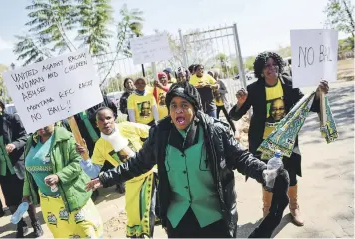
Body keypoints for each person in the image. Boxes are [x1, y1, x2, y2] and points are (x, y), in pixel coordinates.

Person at [85, 83, 289, 238]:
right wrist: (105, 178)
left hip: (214, 218)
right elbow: (138, 163)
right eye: (173, 105)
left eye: (184, 105)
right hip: (178, 220)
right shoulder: (160, 135)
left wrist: (264, 172)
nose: (178, 110)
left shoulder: (215, 132)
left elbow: (241, 158)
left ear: (195, 108)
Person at [229, 51, 329, 226]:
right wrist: (240, 102)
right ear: (261, 71)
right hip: (264, 143)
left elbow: (310, 106)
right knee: (268, 176)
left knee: (291, 173)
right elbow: (235, 116)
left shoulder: (289, 84)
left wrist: (320, 93)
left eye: (274, 64)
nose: (271, 68)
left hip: (287, 140)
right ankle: (267, 211)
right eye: (266, 65)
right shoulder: (254, 89)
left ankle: (294, 207)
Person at [77, 107, 157, 238]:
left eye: (108, 118)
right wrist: (84, 157)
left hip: (151, 174)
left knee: (148, 215)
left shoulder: (127, 127)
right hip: (131, 182)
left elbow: (154, 133)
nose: (105, 122)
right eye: (101, 120)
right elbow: (93, 172)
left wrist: (150, 152)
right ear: (96, 124)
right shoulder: (100, 145)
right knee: (133, 220)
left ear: (114, 118)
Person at [0, 96, 43, 237]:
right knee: (11, 200)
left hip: (17, 165)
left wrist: (14, 144)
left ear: (1, 106)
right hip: (2, 168)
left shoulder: (13, 119)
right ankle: (21, 225)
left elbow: (25, 137)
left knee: (26, 196)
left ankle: (35, 223)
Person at [23, 124, 103, 238]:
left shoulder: (67, 137)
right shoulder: (31, 141)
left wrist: (59, 176)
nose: (40, 125)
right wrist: (26, 193)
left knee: (85, 232)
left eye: (44, 121)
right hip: (48, 203)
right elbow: (29, 171)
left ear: (54, 121)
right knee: (62, 233)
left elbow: (78, 162)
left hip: (70, 196)